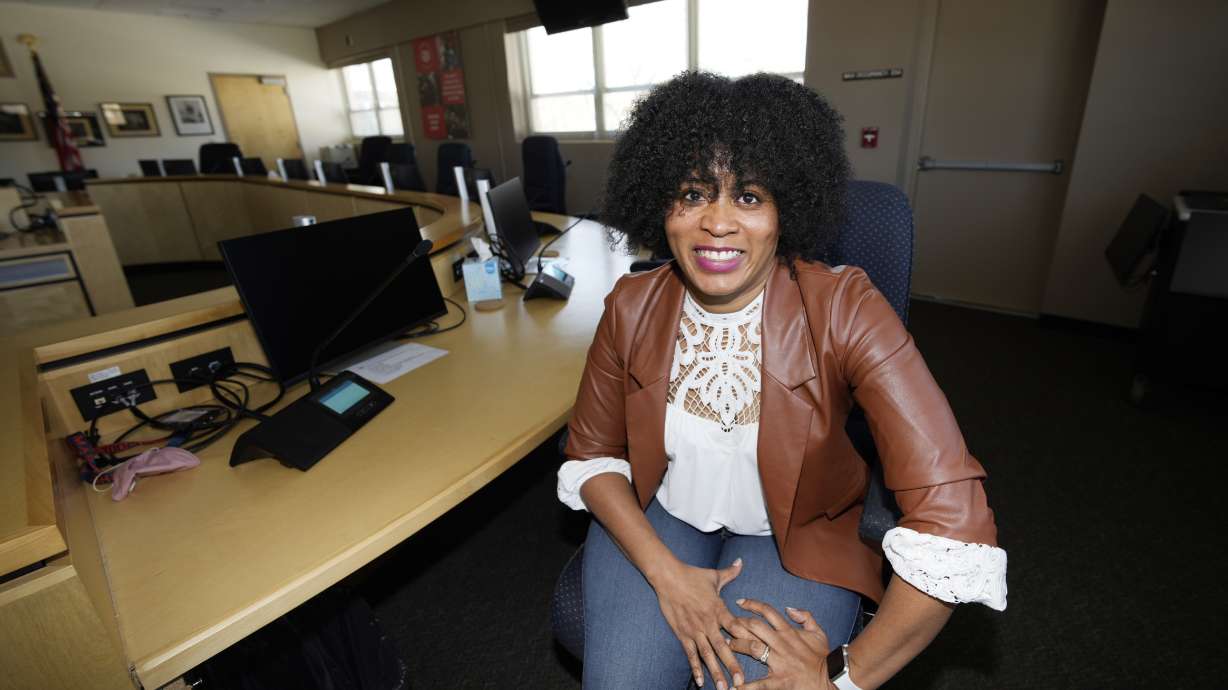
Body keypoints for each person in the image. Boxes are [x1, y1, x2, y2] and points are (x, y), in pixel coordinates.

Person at [558, 71, 1007, 690]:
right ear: (662, 204)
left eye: (747, 196)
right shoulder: (631, 304)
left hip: (798, 529)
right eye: (693, 194)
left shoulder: (846, 307)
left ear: (785, 209)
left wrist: (842, 680)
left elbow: (953, 520)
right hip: (661, 512)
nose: (717, 223)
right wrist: (666, 575)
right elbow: (594, 455)